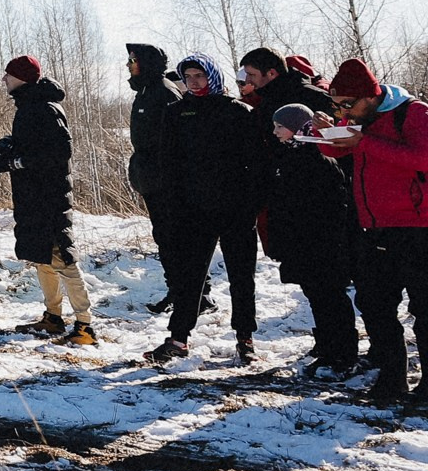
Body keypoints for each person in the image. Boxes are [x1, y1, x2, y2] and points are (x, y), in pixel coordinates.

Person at [319, 58, 428, 405]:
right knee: (377, 307)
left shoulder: (413, 113)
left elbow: (423, 159)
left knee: (424, 309)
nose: (344, 111)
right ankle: (392, 380)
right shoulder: (358, 121)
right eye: (338, 106)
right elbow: (339, 152)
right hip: (374, 227)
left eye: (348, 105)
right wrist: (326, 133)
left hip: (418, 227)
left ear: (372, 94)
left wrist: (363, 141)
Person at [149, 53, 264, 363]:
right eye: (188, 77)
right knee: (189, 277)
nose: (193, 82)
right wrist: (173, 205)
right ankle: (178, 338)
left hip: (236, 210)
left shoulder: (238, 112)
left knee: (242, 277)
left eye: (199, 75)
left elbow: (256, 164)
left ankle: (245, 338)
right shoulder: (176, 113)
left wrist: (250, 204)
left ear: (212, 76)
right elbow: (167, 163)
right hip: (193, 210)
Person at [252, 54, 360, 376]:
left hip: (321, 244)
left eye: (279, 127)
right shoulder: (287, 159)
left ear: (298, 128)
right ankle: (326, 345)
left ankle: (342, 351)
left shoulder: (318, 162)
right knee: (316, 295)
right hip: (303, 244)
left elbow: (329, 205)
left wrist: (320, 237)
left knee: (330, 296)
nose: (274, 132)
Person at [0, 57, 94, 345]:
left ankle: (85, 325)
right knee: (43, 259)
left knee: (63, 259)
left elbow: (59, 152)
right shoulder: (29, 106)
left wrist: (19, 161)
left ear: (23, 78)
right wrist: (9, 146)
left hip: (50, 197)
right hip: (34, 195)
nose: (4, 79)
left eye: (9, 74)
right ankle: (53, 318)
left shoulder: (44, 107)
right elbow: (36, 145)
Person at [125, 44, 184, 314]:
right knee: (164, 237)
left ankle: (194, 294)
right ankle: (178, 290)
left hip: (167, 181)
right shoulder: (145, 91)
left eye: (133, 60)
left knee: (176, 238)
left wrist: (167, 175)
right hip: (151, 179)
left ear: (146, 63)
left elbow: (176, 141)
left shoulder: (164, 92)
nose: (128, 65)